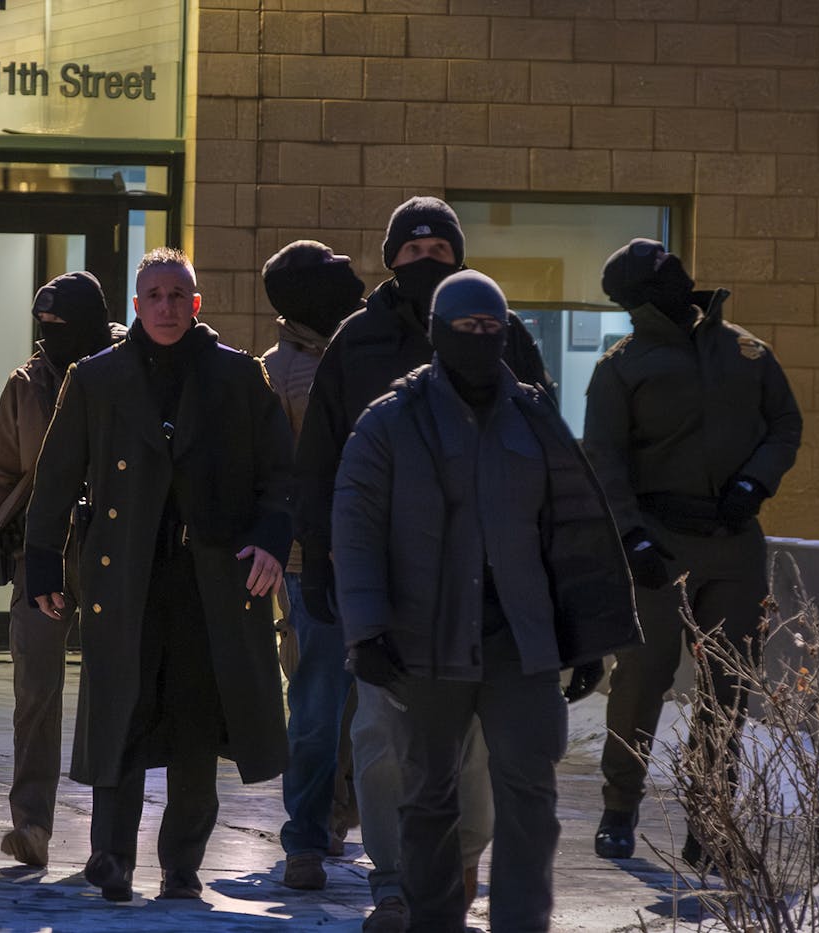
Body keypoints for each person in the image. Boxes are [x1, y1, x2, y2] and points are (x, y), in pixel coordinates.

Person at [333, 270, 640, 933]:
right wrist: (368, 630)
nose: (479, 337)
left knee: (531, 793)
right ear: (439, 333)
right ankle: (432, 919)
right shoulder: (390, 422)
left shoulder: (534, 419)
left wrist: (586, 637)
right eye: (466, 327)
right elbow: (354, 530)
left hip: (520, 644)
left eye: (491, 327)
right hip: (423, 640)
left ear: (506, 333)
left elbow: (575, 531)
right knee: (428, 795)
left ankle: (521, 922)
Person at [294, 195, 552, 931]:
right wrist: (317, 557)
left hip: (483, 580)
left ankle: (459, 862)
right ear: (390, 258)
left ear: (460, 257)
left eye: (440, 249)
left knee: (468, 739)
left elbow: (549, 456)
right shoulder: (357, 342)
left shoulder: (506, 336)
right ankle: (396, 881)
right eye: (412, 250)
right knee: (379, 733)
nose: (426, 259)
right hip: (382, 575)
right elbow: (318, 462)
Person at [24, 247, 293, 903]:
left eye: (179, 295)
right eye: (155, 295)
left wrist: (270, 541)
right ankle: (110, 856)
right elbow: (56, 476)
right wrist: (40, 560)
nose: (167, 306)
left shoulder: (238, 376)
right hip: (124, 574)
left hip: (209, 576)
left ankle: (180, 864)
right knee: (124, 710)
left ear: (196, 304)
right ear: (136, 306)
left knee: (195, 722)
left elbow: (282, 474)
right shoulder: (95, 377)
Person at [585, 238, 802, 865]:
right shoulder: (621, 366)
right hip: (659, 544)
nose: (675, 283)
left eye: (674, 272)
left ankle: (709, 821)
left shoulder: (748, 351)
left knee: (726, 689)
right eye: (657, 280)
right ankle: (618, 809)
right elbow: (603, 460)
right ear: (633, 300)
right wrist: (632, 536)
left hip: (734, 543)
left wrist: (755, 481)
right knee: (641, 680)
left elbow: (784, 423)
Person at [0, 271, 116, 869]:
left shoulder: (125, 369)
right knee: (36, 691)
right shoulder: (27, 383)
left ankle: (111, 832)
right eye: (41, 325)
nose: (49, 337)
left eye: (61, 326)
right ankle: (32, 825)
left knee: (111, 691)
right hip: (37, 553)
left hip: (108, 552)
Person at [258, 240, 366, 890]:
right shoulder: (277, 372)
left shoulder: (363, 351)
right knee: (320, 697)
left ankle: (336, 818)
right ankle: (306, 832)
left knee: (354, 698)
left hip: (370, 553)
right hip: (308, 559)